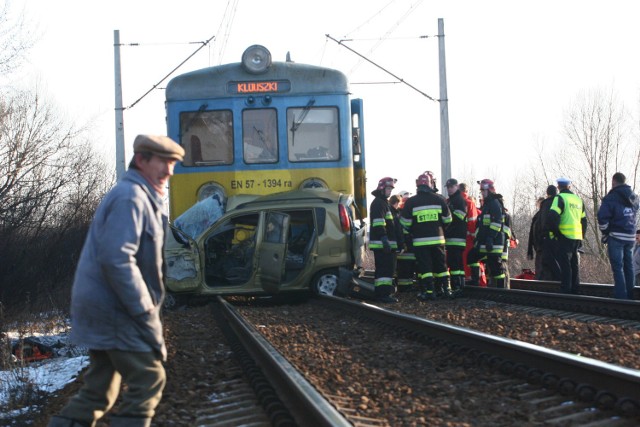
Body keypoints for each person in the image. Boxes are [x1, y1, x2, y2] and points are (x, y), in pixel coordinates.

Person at [48, 135, 185, 427]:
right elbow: (117, 259)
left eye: (173, 163)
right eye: (163, 161)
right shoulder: (131, 198)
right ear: (141, 160)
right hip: (115, 309)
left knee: (100, 391)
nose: (169, 170)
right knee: (149, 377)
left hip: (106, 308)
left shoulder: (142, 197)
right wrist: (144, 310)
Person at [400, 172, 452, 300]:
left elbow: (405, 222)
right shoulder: (439, 199)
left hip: (420, 241)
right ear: (430, 184)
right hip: (438, 240)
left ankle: (429, 292)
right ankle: (446, 290)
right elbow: (448, 219)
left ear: (417, 185)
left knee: (426, 267)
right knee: (441, 266)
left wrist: (413, 229)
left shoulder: (411, 202)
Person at [597, 172, 639, 300]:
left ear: (614, 182)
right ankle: (631, 295)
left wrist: (606, 232)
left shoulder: (611, 197)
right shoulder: (635, 197)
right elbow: (635, 214)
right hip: (631, 237)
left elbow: (602, 218)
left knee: (618, 267)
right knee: (629, 266)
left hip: (616, 236)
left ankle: (621, 297)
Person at [546, 177, 587, 294]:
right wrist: (581, 235)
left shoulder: (560, 198)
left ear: (558, 187)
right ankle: (575, 289)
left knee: (565, 264)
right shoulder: (578, 200)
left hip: (564, 236)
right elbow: (584, 221)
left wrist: (556, 233)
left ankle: (566, 290)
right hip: (577, 237)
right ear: (569, 186)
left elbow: (552, 217)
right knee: (574, 263)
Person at [468, 179, 508, 288]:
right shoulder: (487, 204)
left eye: (483, 191)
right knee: (472, 256)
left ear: (489, 190)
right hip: (485, 241)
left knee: (496, 267)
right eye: (481, 191)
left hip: (494, 242)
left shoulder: (494, 203)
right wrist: (478, 238)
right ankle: (475, 282)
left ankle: (501, 290)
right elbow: (482, 224)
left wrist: (490, 237)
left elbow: (496, 223)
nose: (482, 193)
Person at [369, 177, 399, 303]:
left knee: (386, 270)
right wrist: (384, 239)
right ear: (382, 188)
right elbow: (378, 223)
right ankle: (383, 295)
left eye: (391, 189)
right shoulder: (378, 203)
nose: (390, 191)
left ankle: (382, 294)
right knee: (385, 270)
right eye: (388, 188)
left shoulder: (383, 203)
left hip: (384, 244)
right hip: (382, 244)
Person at [459, 183, 486, 286]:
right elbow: (473, 224)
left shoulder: (450, 202)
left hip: (454, 240)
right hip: (469, 240)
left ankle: (463, 283)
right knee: (473, 263)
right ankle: (480, 284)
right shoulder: (471, 205)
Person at [444, 178, 467, 296]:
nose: (449, 189)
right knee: (454, 263)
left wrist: (450, 212)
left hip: (457, 237)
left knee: (455, 263)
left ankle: (457, 287)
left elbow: (460, 216)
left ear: (456, 186)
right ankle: (458, 286)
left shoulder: (459, 200)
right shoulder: (451, 200)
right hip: (451, 237)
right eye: (447, 187)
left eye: (451, 187)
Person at [537, 185, 562, 281]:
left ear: (547, 194)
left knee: (548, 262)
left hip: (548, 238)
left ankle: (555, 280)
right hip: (561, 238)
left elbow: (542, 222)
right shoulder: (560, 202)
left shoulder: (546, 204)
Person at [389, 194, 411, 291]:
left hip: (400, 245)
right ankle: (405, 287)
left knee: (400, 268)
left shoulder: (396, 213)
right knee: (405, 268)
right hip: (405, 245)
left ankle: (402, 286)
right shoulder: (399, 214)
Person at [527, 197, 546, 276]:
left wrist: (530, 250)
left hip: (540, 247)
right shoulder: (538, 216)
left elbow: (532, 234)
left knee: (541, 269)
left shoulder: (538, 216)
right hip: (540, 247)